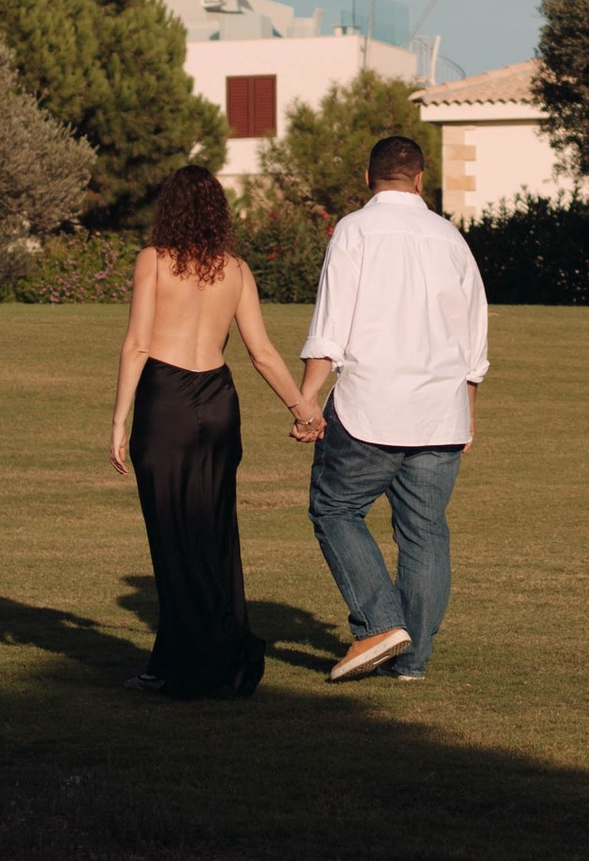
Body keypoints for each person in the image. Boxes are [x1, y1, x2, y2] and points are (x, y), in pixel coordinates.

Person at [110, 163, 317, 699]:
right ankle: (217, 656)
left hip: (167, 403)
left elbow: (136, 344)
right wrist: (302, 408)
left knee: (172, 536)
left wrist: (118, 420)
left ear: (170, 208)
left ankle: (181, 665)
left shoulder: (153, 262)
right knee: (215, 533)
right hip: (219, 401)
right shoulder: (238, 270)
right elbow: (262, 353)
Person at [296, 132, 490, 685]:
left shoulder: (355, 230)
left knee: (334, 509)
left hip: (371, 408)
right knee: (425, 531)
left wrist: (308, 398)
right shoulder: (450, 237)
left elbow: (331, 325)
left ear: (367, 178)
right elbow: (473, 340)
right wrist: (468, 411)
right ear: (421, 179)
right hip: (441, 412)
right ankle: (412, 662)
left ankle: (381, 623)